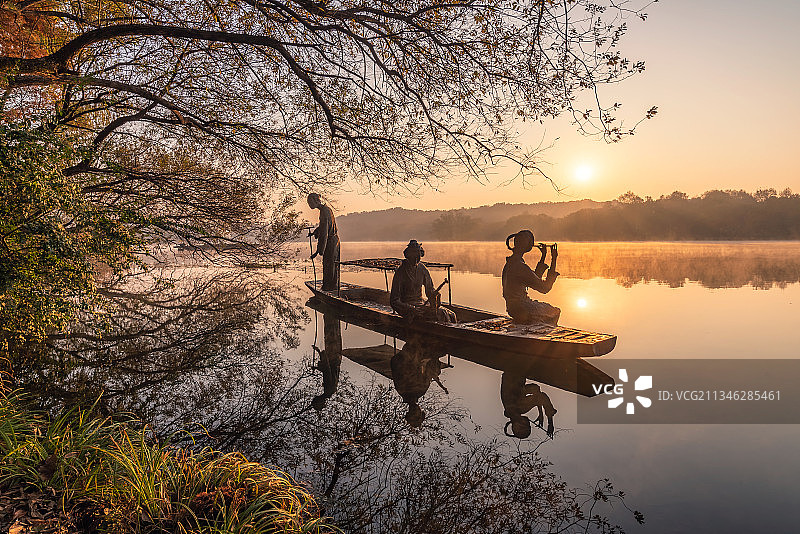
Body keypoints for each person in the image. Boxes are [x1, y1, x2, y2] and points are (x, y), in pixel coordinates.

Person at [501, 230, 560, 325]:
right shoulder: (520, 266)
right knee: (555, 311)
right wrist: (554, 259)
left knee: (545, 311)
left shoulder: (511, 263)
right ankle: (542, 335)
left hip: (512, 308)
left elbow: (534, 279)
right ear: (527, 245)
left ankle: (533, 327)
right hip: (522, 308)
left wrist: (543, 256)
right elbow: (545, 288)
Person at [390, 240, 456, 323]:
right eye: (414, 256)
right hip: (407, 307)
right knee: (441, 313)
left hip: (421, 304)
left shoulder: (422, 269)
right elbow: (394, 301)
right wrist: (411, 309)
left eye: (418, 256)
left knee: (451, 314)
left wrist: (435, 297)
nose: (416, 259)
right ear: (408, 255)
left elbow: (430, 290)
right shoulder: (401, 272)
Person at [390, 337, 449, 428]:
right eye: (417, 413)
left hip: (416, 349)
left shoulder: (416, 391)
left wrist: (425, 362)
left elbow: (397, 363)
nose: (417, 410)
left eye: (414, 413)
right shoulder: (403, 391)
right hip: (412, 350)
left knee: (444, 349)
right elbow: (395, 362)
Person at [501, 371, 557, 438]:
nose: (528, 423)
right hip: (516, 371)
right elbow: (536, 390)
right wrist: (540, 411)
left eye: (526, 426)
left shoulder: (517, 408)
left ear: (517, 426)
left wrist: (550, 423)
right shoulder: (514, 408)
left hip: (516, 369)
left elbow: (541, 396)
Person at [307, 193, 340, 291]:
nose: (309, 205)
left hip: (331, 242)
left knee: (329, 265)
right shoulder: (326, 209)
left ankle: (329, 288)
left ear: (316, 201)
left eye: (310, 202)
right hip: (334, 240)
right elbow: (323, 226)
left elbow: (324, 234)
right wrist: (315, 232)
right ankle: (333, 286)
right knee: (333, 265)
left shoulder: (324, 212)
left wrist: (318, 251)